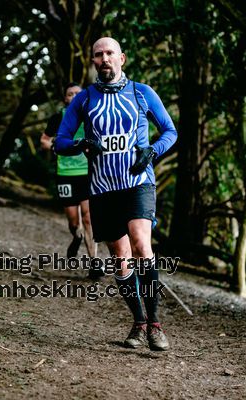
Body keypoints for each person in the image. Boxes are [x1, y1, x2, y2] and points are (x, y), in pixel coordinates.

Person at [53, 37, 177, 351]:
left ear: (121, 58)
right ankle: (138, 322)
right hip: (102, 188)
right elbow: (61, 140)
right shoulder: (84, 100)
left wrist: (151, 153)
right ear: (93, 61)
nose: (105, 58)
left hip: (138, 182)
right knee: (120, 259)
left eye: (110, 53)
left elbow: (170, 131)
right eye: (99, 55)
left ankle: (156, 324)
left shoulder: (141, 92)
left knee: (140, 244)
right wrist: (82, 145)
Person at [40, 83, 98, 266]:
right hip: (65, 173)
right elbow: (44, 140)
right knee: (74, 221)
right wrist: (56, 147)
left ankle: (94, 262)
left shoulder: (92, 115)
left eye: (77, 94)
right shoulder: (59, 117)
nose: (73, 97)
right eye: (69, 94)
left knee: (89, 217)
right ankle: (77, 235)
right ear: (65, 98)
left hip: (87, 173)